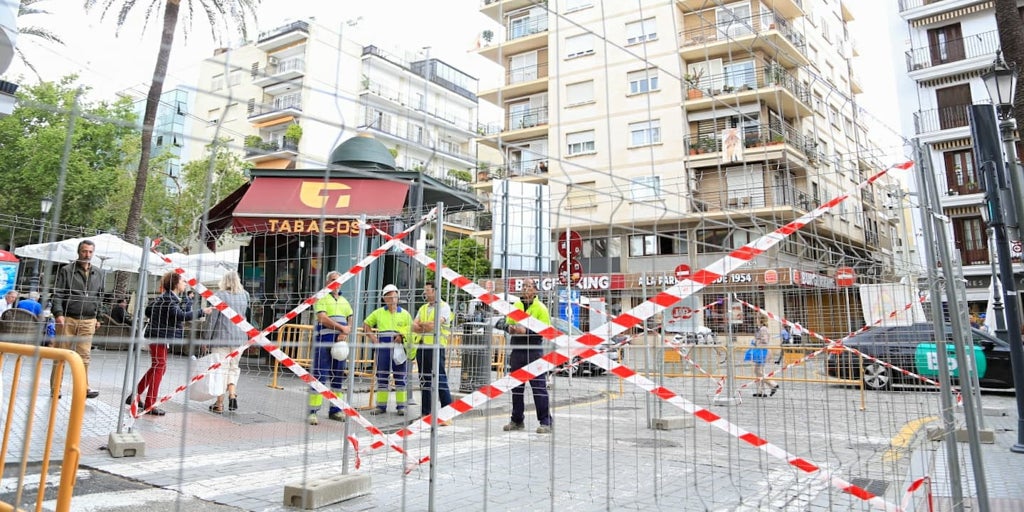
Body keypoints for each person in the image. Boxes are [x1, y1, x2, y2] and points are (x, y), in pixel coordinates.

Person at [130, 271, 210, 416]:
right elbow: (180, 316)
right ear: (175, 283)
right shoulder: (169, 299)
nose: (185, 283)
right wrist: (202, 311)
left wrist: (188, 302)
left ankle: (135, 395)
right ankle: (149, 404)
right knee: (159, 368)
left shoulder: (167, 298)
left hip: (158, 336)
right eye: (183, 281)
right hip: (159, 337)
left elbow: (152, 311)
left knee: (157, 367)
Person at [51, 240, 105, 399]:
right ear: (78, 252)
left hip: (89, 320)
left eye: (90, 252)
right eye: (84, 251)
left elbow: (101, 296)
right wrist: (58, 313)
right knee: (61, 354)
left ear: (93, 253)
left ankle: (84, 387)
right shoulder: (66, 271)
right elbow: (58, 293)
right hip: (67, 318)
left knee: (85, 357)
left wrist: (99, 316)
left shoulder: (99, 273)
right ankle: (55, 388)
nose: (87, 255)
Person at [503, 279, 553, 434]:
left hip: (533, 351)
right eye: (523, 286)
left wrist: (526, 332)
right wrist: (510, 328)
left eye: (529, 286)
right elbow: (506, 323)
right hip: (517, 350)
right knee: (516, 388)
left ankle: (546, 422)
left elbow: (546, 331)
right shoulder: (516, 306)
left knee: (538, 387)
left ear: (535, 290)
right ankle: (517, 420)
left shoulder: (541, 308)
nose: (525, 288)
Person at [307, 270, 353, 425]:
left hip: (340, 342)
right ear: (327, 282)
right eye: (333, 280)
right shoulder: (321, 297)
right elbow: (322, 318)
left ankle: (336, 410)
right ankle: (312, 412)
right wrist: (342, 328)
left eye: (338, 280)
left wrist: (345, 333)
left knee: (338, 376)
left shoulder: (345, 301)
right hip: (324, 339)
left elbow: (350, 320)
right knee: (320, 375)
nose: (336, 283)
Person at [204, 271, 250, 415]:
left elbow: (212, 320)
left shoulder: (218, 296)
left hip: (221, 338)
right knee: (233, 368)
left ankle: (219, 404)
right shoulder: (245, 295)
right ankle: (232, 394)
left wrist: (206, 339)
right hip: (240, 339)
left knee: (220, 370)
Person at [363, 284, 412, 415]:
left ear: (398, 297)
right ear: (384, 299)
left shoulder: (405, 314)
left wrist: (402, 336)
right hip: (383, 345)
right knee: (382, 375)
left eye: (394, 296)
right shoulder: (378, 312)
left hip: (399, 346)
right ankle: (381, 406)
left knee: (400, 375)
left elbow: (412, 329)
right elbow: (366, 324)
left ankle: (401, 407)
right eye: (388, 296)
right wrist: (374, 339)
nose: (391, 298)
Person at [411, 282, 452, 425]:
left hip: (436, 347)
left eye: (427, 290)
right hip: (422, 347)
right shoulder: (423, 308)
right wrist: (425, 325)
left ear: (435, 291)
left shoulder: (444, 307)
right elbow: (413, 326)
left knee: (440, 379)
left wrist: (423, 325)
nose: (425, 293)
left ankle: (447, 415)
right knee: (425, 381)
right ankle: (425, 413)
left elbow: (432, 326)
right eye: (425, 290)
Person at [746, 317, 779, 397]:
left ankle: (773, 384)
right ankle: (761, 391)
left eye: (757, 319)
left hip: (761, 351)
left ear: (760, 320)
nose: (756, 320)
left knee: (758, 371)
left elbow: (764, 340)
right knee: (759, 371)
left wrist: (755, 342)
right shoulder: (761, 328)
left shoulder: (763, 329)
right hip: (760, 351)